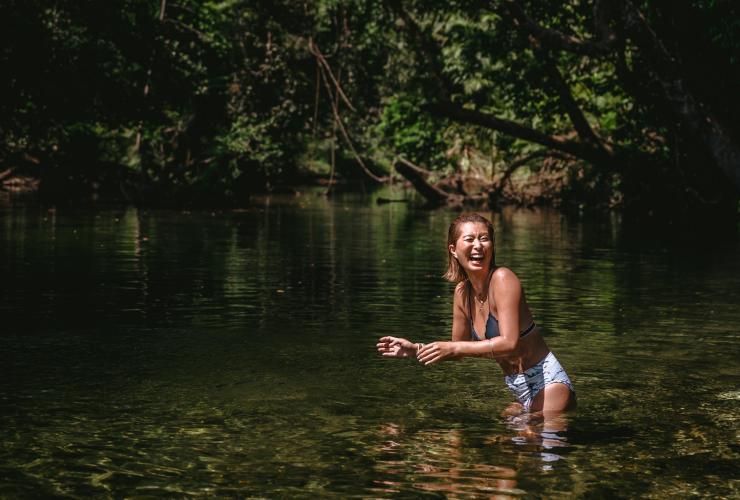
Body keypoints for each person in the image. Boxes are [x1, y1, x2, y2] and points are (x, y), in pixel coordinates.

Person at [377, 213, 575, 416]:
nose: (478, 246)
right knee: (502, 444)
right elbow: (458, 350)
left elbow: (509, 343)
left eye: (484, 238)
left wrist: (454, 348)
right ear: (453, 250)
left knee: (526, 443)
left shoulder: (503, 279)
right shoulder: (462, 293)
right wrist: (415, 349)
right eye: (469, 239)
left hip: (549, 384)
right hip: (519, 390)